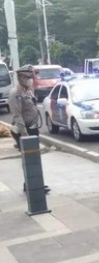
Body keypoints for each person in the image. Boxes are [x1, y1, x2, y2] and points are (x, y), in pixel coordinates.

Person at [8, 66, 50, 194]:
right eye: (27, 77)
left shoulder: (27, 91)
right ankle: (32, 185)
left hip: (32, 129)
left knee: (34, 158)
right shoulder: (16, 93)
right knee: (29, 159)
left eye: (31, 77)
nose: (30, 80)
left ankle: (35, 183)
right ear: (20, 77)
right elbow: (17, 115)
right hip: (24, 131)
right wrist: (25, 135)